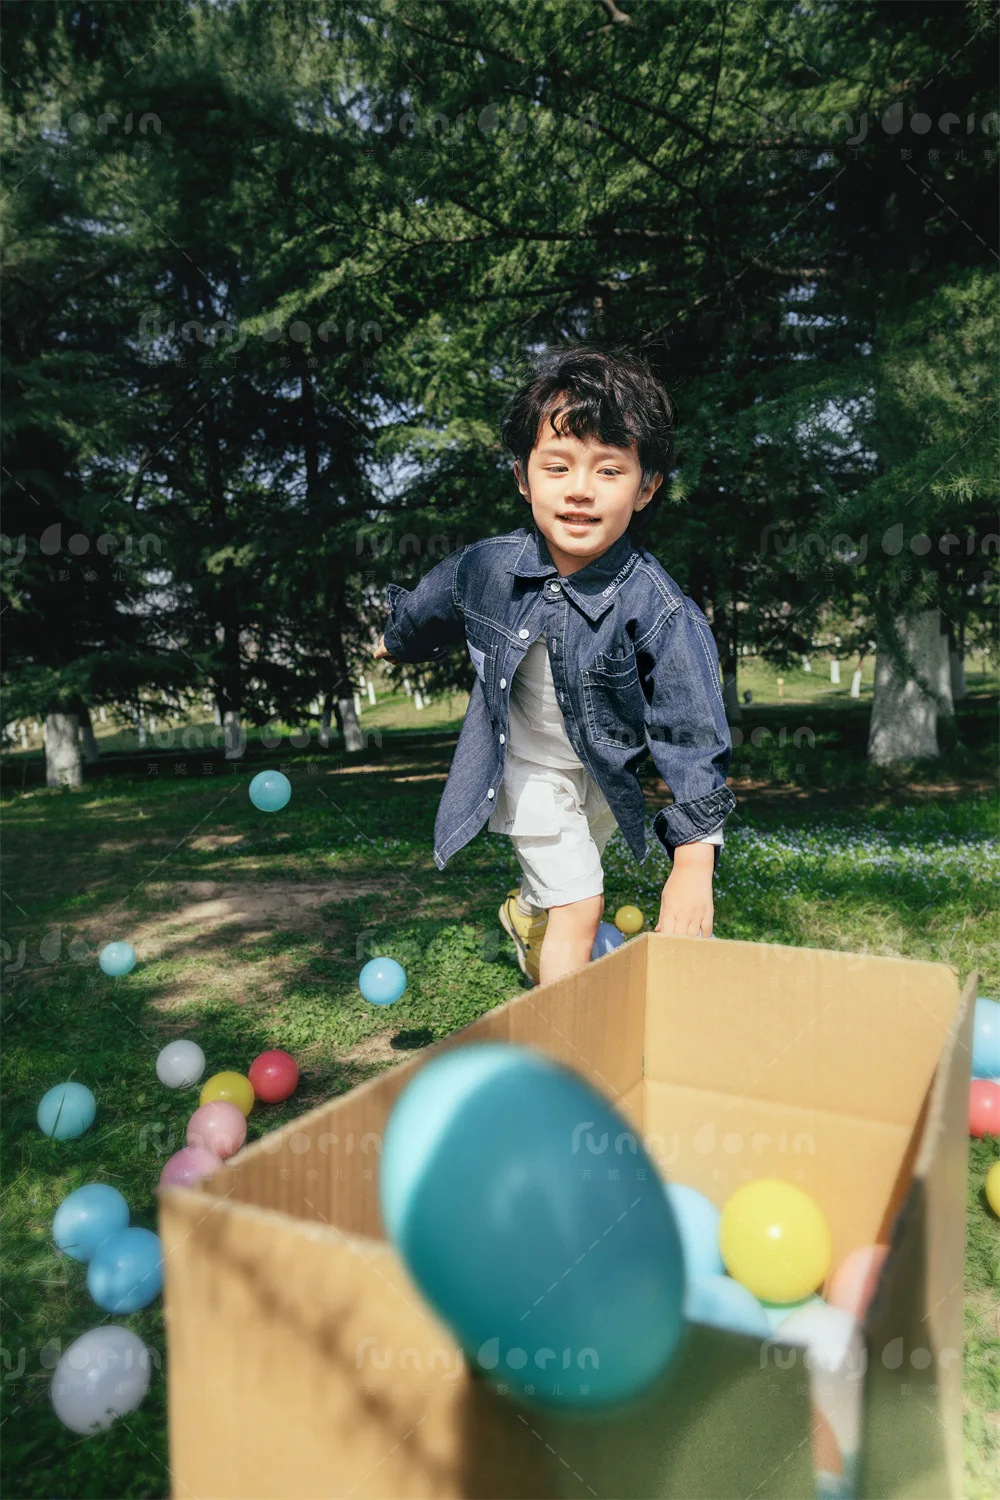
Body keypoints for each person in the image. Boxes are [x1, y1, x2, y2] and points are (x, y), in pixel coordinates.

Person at [374, 344, 735, 987]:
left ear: (646, 487)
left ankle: (526, 917)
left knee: (566, 888)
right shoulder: (489, 567)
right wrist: (398, 640)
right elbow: (436, 599)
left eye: (608, 471)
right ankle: (564, 1057)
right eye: (558, 466)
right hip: (527, 764)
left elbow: (692, 733)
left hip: (602, 770)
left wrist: (693, 863)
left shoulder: (659, 611)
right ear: (524, 478)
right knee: (581, 903)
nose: (579, 490)